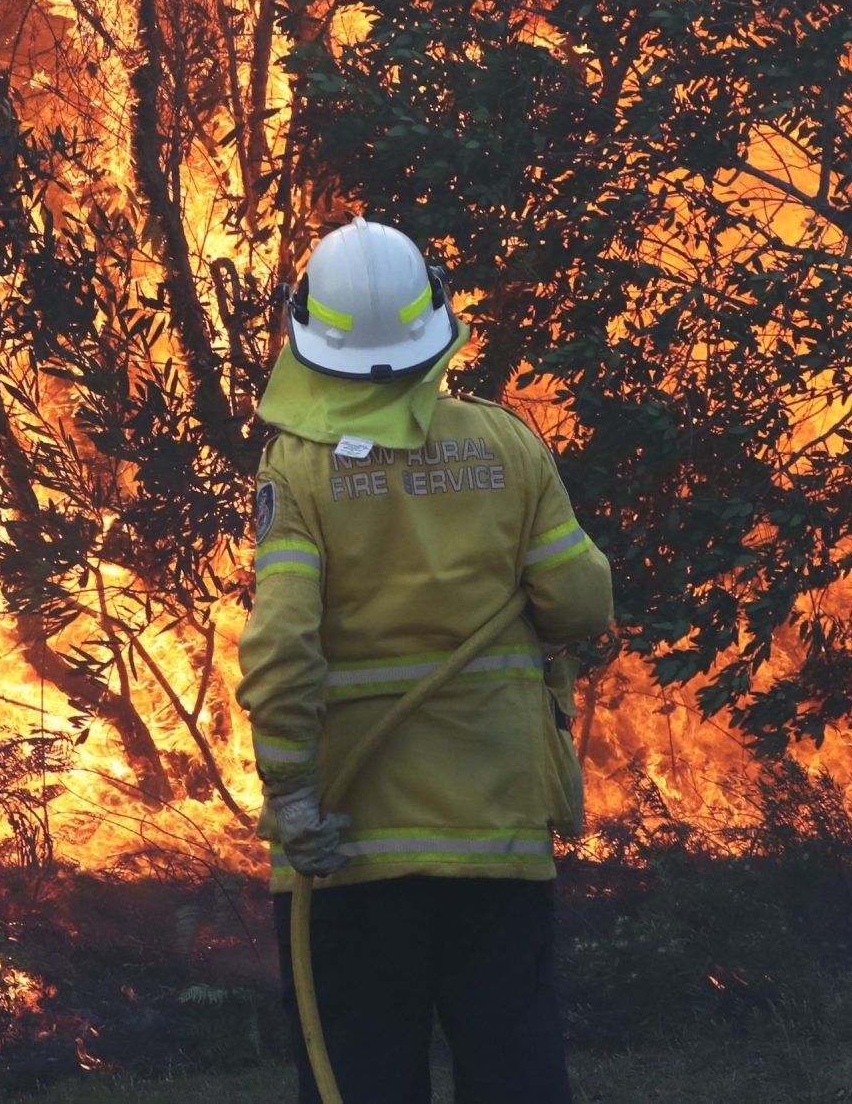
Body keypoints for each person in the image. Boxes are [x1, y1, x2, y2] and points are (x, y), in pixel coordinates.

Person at [239, 216, 614, 1104]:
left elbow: (282, 648)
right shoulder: (507, 444)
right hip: (496, 841)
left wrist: (289, 793)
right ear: (437, 319)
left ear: (307, 332)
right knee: (515, 1070)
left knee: (360, 1081)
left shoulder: (297, 469)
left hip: (348, 852)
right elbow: (580, 603)